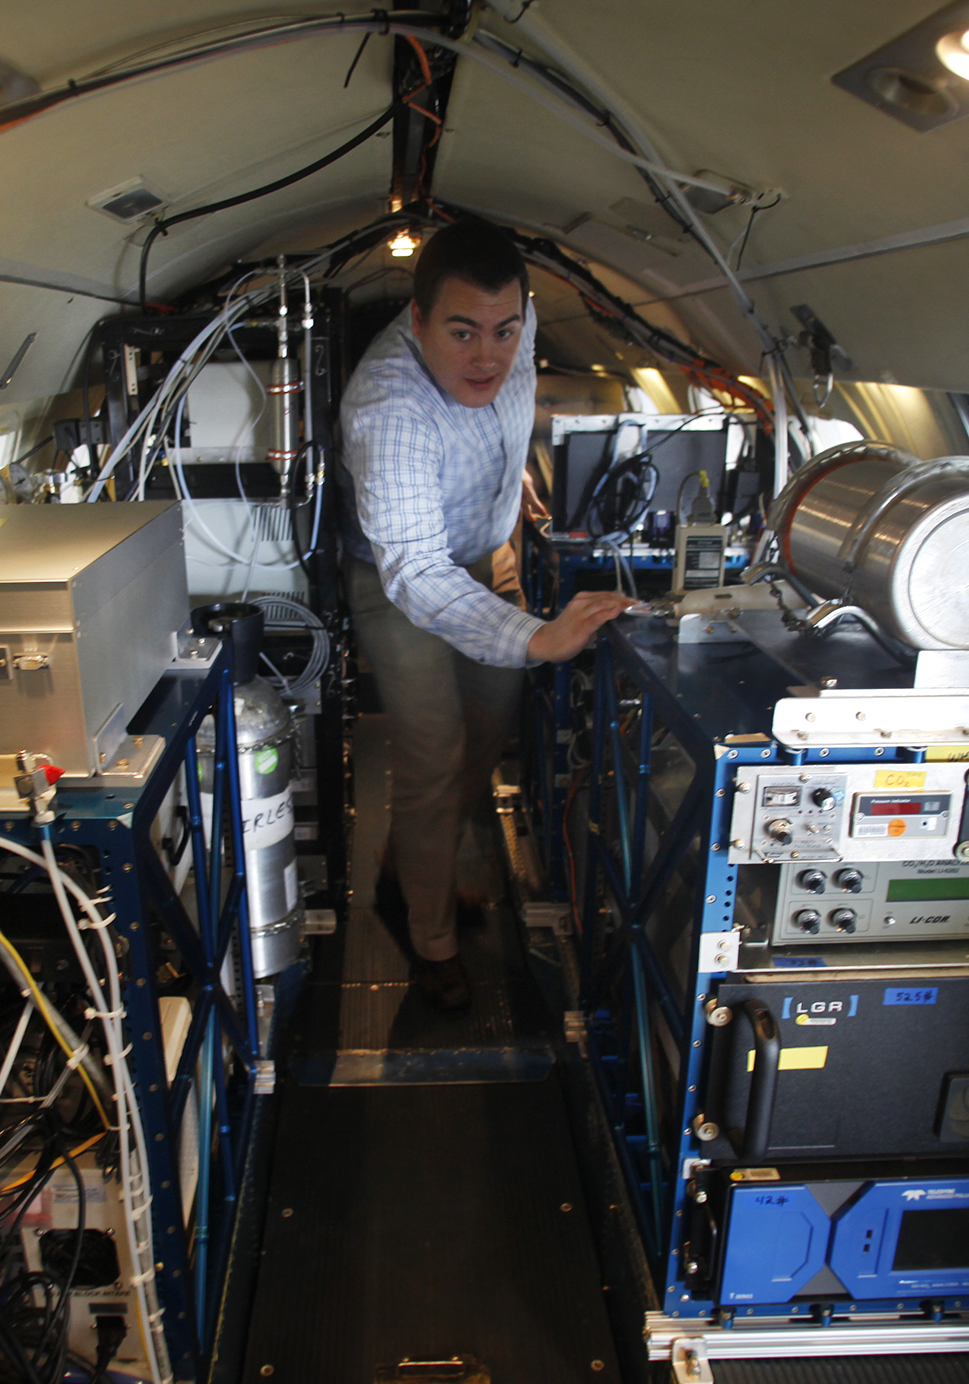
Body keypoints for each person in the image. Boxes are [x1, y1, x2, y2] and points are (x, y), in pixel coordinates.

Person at [339, 217, 638, 1010]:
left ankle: (415, 854)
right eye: (462, 332)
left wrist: (512, 483)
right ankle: (428, 937)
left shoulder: (518, 324)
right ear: (417, 321)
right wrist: (536, 635)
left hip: (490, 546)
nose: (487, 356)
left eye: (504, 331)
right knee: (433, 754)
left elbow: (514, 385)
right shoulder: (391, 410)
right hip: (402, 580)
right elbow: (417, 569)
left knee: (490, 727)